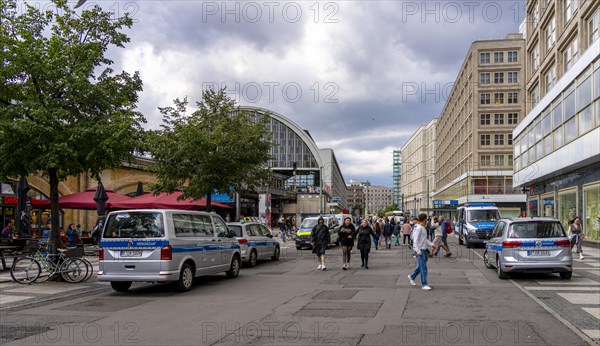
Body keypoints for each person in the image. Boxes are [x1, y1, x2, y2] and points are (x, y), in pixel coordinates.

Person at [408, 213, 434, 290]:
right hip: (420, 249)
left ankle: (412, 276)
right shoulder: (419, 228)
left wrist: (431, 244)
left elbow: (423, 239)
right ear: (425, 219)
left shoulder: (420, 227)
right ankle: (424, 284)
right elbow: (415, 240)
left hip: (422, 249)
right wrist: (418, 250)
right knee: (423, 267)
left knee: (422, 265)